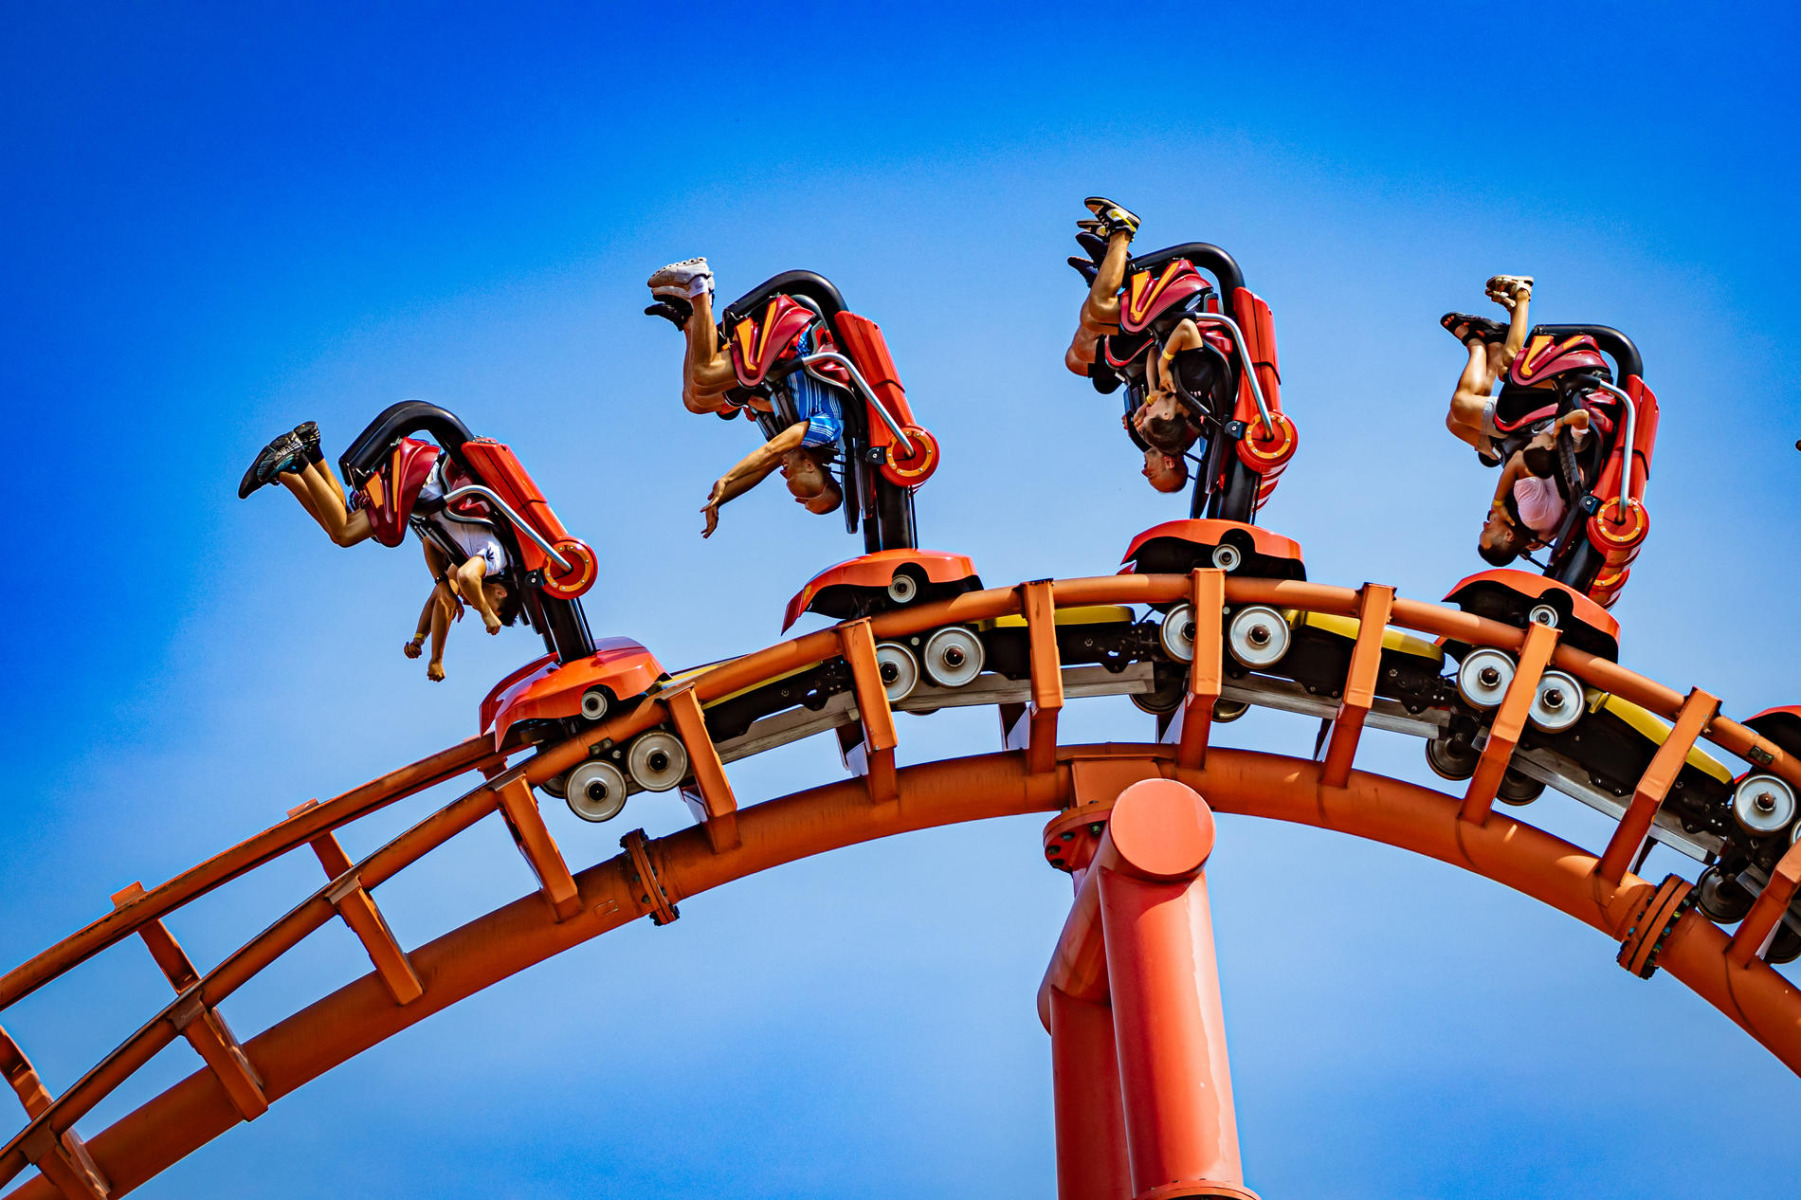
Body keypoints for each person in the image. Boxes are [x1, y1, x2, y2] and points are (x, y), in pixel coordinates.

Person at [237, 420, 517, 675]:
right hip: (419, 477)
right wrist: (481, 617)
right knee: (346, 533)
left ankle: (304, 460)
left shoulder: (467, 556)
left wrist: (423, 630)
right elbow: (465, 581)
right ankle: (295, 459)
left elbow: (435, 564)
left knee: (344, 523)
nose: (471, 604)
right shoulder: (495, 558)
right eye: (496, 606)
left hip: (415, 480)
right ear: (501, 591)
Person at [645, 258, 850, 535]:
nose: (783, 473)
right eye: (805, 495)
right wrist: (727, 478)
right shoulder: (826, 431)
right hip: (790, 341)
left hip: (775, 370)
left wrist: (723, 496)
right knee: (706, 373)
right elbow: (769, 452)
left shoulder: (801, 450)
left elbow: (762, 467)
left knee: (695, 400)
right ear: (812, 467)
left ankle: (689, 317)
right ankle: (698, 283)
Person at [1477, 409, 1593, 566]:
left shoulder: (1536, 537)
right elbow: (1518, 460)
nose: (1485, 524)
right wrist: (1498, 501)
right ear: (1509, 535)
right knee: (1461, 408)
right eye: (1487, 530)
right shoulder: (1531, 516)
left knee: (1458, 425)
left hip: (1571, 459)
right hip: (1558, 437)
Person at [1442, 274, 1535, 465]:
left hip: (1512, 446)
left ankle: (1490, 346)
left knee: (1456, 420)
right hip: (1534, 431)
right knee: (1463, 404)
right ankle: (1521, 297)